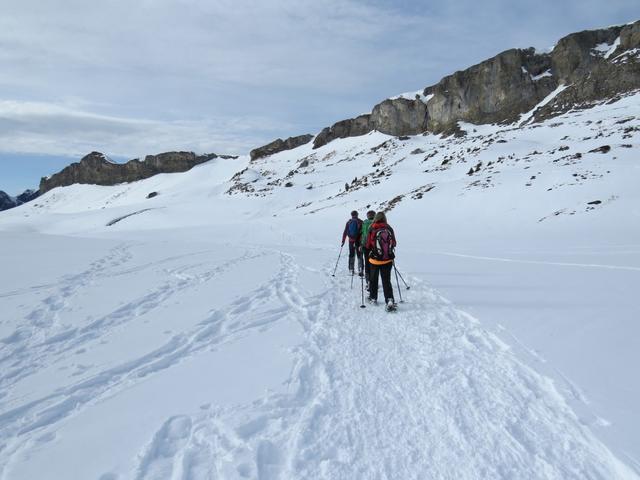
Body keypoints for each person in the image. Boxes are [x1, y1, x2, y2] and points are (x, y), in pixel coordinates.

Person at [365, 211, 397, 311]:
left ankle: (373, 298)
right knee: (386, 280)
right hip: (387, 260)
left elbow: (367, 244)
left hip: (374, 260)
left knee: (373, 280)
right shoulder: (389, 228)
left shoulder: (372, 227)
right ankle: (389, 300)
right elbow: (394, 243)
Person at [341, 210, 364, 275]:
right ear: (357, 215)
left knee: (351, 254)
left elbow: (345, 232)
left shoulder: (349, 222)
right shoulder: (361, 222)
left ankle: (351, 269)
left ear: (351, 215)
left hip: (351, 241)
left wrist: (343, 241)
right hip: (359, 241)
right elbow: (363, 232)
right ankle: (360, 270)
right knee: (359, 255)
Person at [361, 210, 375, 289]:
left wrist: (362, 244)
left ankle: (368, 282)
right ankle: (374, 281)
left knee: (367, 263)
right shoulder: (375, 223)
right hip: (374, 247)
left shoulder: (364, 223)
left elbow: (363, 234)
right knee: (374, 264)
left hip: (365, 246)